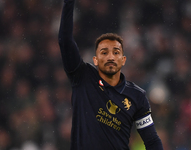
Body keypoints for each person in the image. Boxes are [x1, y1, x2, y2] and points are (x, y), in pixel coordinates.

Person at [58, 0, 164, 149]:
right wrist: (69, 3)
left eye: (116, 52)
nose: (110, 57)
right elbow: (65, 40)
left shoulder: (137, 96)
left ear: (123, 60)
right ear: (95, 59)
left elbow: (151, 140)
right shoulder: (82, 77)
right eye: (104, 52)